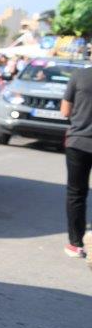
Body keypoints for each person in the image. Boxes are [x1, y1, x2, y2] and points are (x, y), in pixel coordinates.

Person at [60, 64, 92, 258]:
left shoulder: (79, 76)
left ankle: (76, 243)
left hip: (78, 142)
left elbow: (65, 111)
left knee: (76, 193)